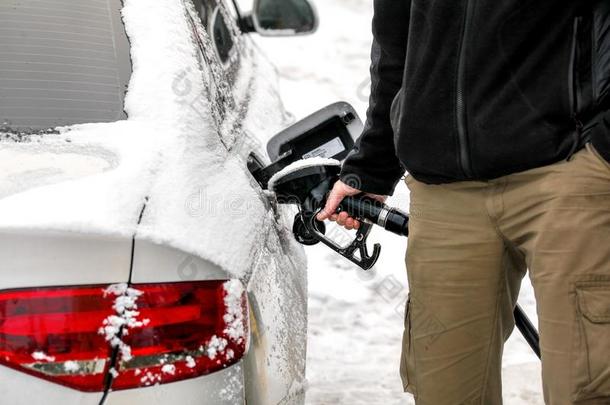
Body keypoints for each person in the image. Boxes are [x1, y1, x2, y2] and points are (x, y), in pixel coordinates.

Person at [317, 1, 610, 404]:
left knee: (588, 384)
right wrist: (372, 166)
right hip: (445, 191)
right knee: (444, 390)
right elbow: (395, 42)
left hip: (565, 171)